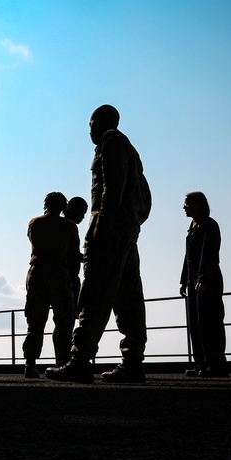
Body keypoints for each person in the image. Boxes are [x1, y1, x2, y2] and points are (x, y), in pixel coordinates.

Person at [46, 104, 151, 384]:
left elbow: (112, 187)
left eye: (90, 124)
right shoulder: (131, 149)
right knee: (128, 295)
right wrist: (132, 223)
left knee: (95, 292)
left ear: (98, 122)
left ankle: (80, 359)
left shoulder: (110, 141)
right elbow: (145, 197)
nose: (89, 130)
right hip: (127, 230)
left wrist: (103, 225)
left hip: (109, 228)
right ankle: (133, 361)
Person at [22, 192, 80, 378]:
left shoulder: (34, 223)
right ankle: (62, 361)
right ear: (64, 207)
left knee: (35, 321)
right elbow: (74, 252)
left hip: (37, 271)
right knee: (63, 320)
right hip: (60, 273)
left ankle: (30, 364)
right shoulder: (69, 226)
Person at [180, 191, 228, 377]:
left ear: (198, 204)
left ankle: (216, 365)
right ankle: (201, 363)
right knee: (195, 323)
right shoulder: (192, 226)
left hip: (207, 280)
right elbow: (188, 256)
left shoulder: (209, 225)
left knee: (210, 322)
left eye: (187, 203)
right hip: (194, 281)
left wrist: (203, 278)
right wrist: (184, 280)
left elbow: (209, 254)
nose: (184, 207)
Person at [62, 196, 88, 315]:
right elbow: (71, 253)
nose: (82, 217)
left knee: (66, 316)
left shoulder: (66, 225)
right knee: (68, 315)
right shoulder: (68, 226)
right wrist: (88, 258)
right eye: (81, 213)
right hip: (68, 275)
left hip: (69, 274)